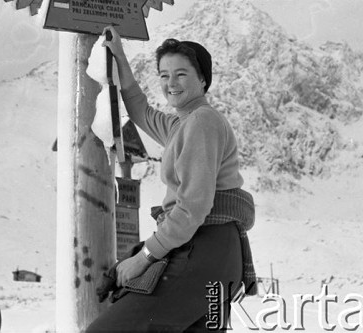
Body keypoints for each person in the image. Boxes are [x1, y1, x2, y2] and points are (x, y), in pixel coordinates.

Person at [86, 26, 256, 333]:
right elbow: (139, 108)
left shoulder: (202, 122)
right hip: (216, 254)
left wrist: (144, 258)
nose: (170, 83)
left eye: (181, 74)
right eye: (164, 75)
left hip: (203, 251)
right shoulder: (182, 125)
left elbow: (192, 207)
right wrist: (120, 55)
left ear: (203, 79)